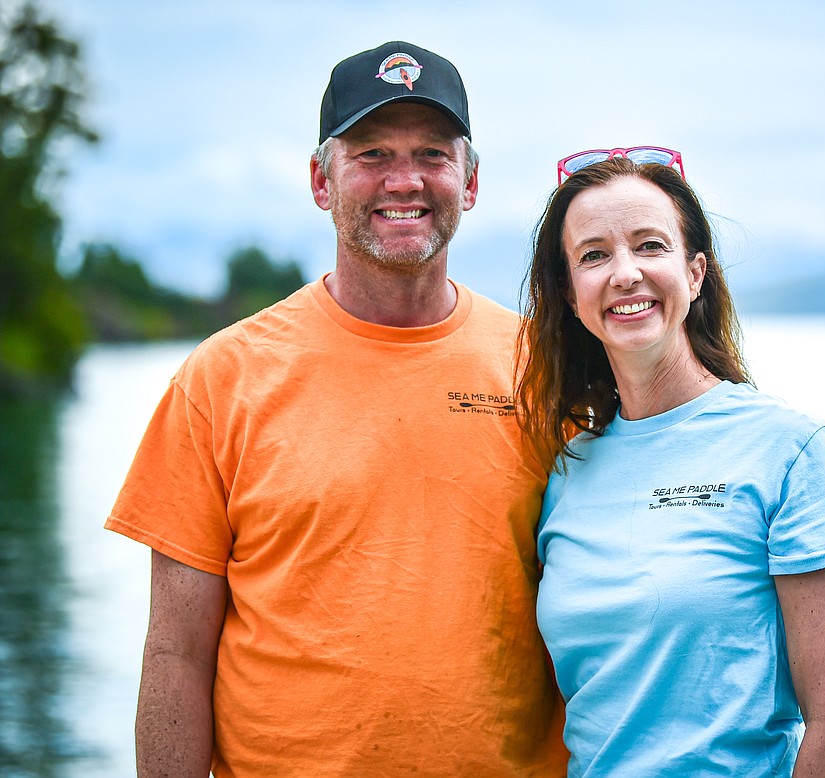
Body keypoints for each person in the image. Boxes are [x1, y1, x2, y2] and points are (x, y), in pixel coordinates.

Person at [106, 41, 567, 777]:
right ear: (322, 181)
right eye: (373, 154)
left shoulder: (545, 372)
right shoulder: (222, 379)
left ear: (471, 181)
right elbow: (174, 654)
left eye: (432, 154)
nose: (405, 180)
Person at [516, 148, 825, 777]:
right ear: (570, 293)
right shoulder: (569, 468)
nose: (624, 273)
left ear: (696, 272)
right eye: (593, 255)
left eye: (649, 246)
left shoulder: (791, 452)